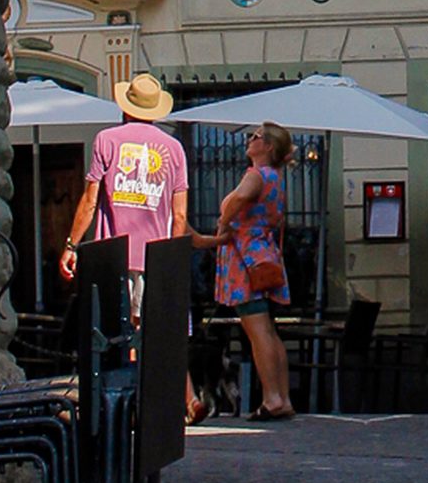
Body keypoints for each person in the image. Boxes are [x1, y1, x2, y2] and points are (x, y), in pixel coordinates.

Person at [59, 70, 205, 420]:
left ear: (126, 107)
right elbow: (180, 214)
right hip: (155, 256)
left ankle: (131, 404)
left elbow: (91, 201)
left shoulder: (106, 140)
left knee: (117, 333)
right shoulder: (174, 149)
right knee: (154, 331)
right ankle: (176, 401)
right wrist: (172, 259)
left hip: (114, 256)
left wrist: (71, 245)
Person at [197, 123, 295, 421]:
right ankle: (283, 396)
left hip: (245, 260)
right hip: (265, 255)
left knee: (257, 331)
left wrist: (225, 221)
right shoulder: (275, 177)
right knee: (269, 330)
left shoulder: (255, 175)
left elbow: (240, 199)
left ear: (268, 147)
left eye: (256, 137)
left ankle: (272, 398)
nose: (250, 140)